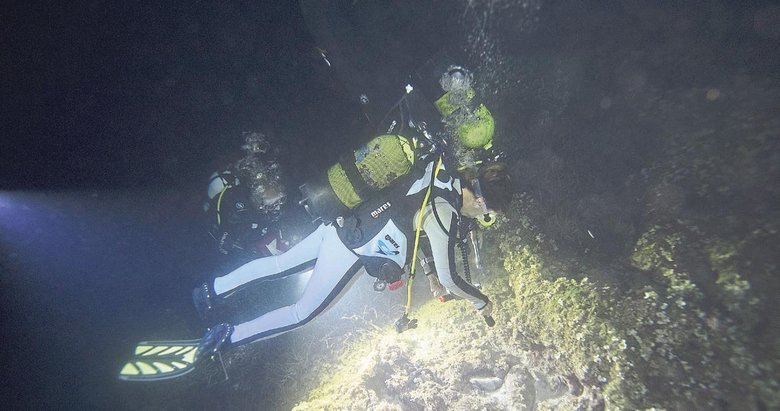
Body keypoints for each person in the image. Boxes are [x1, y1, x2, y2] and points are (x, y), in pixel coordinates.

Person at [193, 152, 512, 359]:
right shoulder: (445, 209)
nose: (481, 217)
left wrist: (427, 273)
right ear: (481, 202)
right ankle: (229, 337)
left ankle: (211, 290)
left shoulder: (437, 171)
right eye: (487, 213)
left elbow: (408, 216)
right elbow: (450, 279)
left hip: (339, 222)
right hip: (353, 250)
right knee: (301, 313)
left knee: (279, 265)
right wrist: (481, 302)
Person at [203, 132, 290, 260]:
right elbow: (227, 246)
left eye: (280, 201)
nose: (277, 208)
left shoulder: (267, 186)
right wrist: (256, 248)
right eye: (271, 206)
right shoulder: (237, 208)